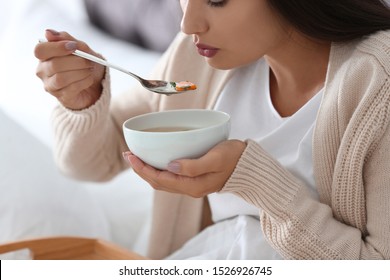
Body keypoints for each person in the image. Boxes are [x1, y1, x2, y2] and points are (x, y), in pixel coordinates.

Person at [34, 0, 390, 259]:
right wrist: (83, 101)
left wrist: (253, 180)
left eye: (216, 0)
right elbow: (89, 163)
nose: (188, 24)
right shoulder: (198, 57)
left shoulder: (378, 84)